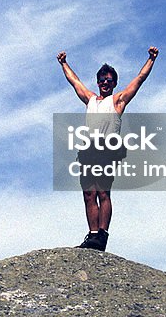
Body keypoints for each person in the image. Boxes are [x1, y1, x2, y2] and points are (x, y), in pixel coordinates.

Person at [56, 47, 159, 251]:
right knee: (88, 193)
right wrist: (63, 64)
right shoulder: (91, 99)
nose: (105, 83)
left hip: (107, 150)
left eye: (109, 80)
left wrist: (151, 59)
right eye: (102, 80)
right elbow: (74, 81)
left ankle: (102, 234)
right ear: (98, 82)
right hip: (88, 151)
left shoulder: (118, 101)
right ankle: (92, 235)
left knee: (103, 192)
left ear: (114, 83)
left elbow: (140, 79)